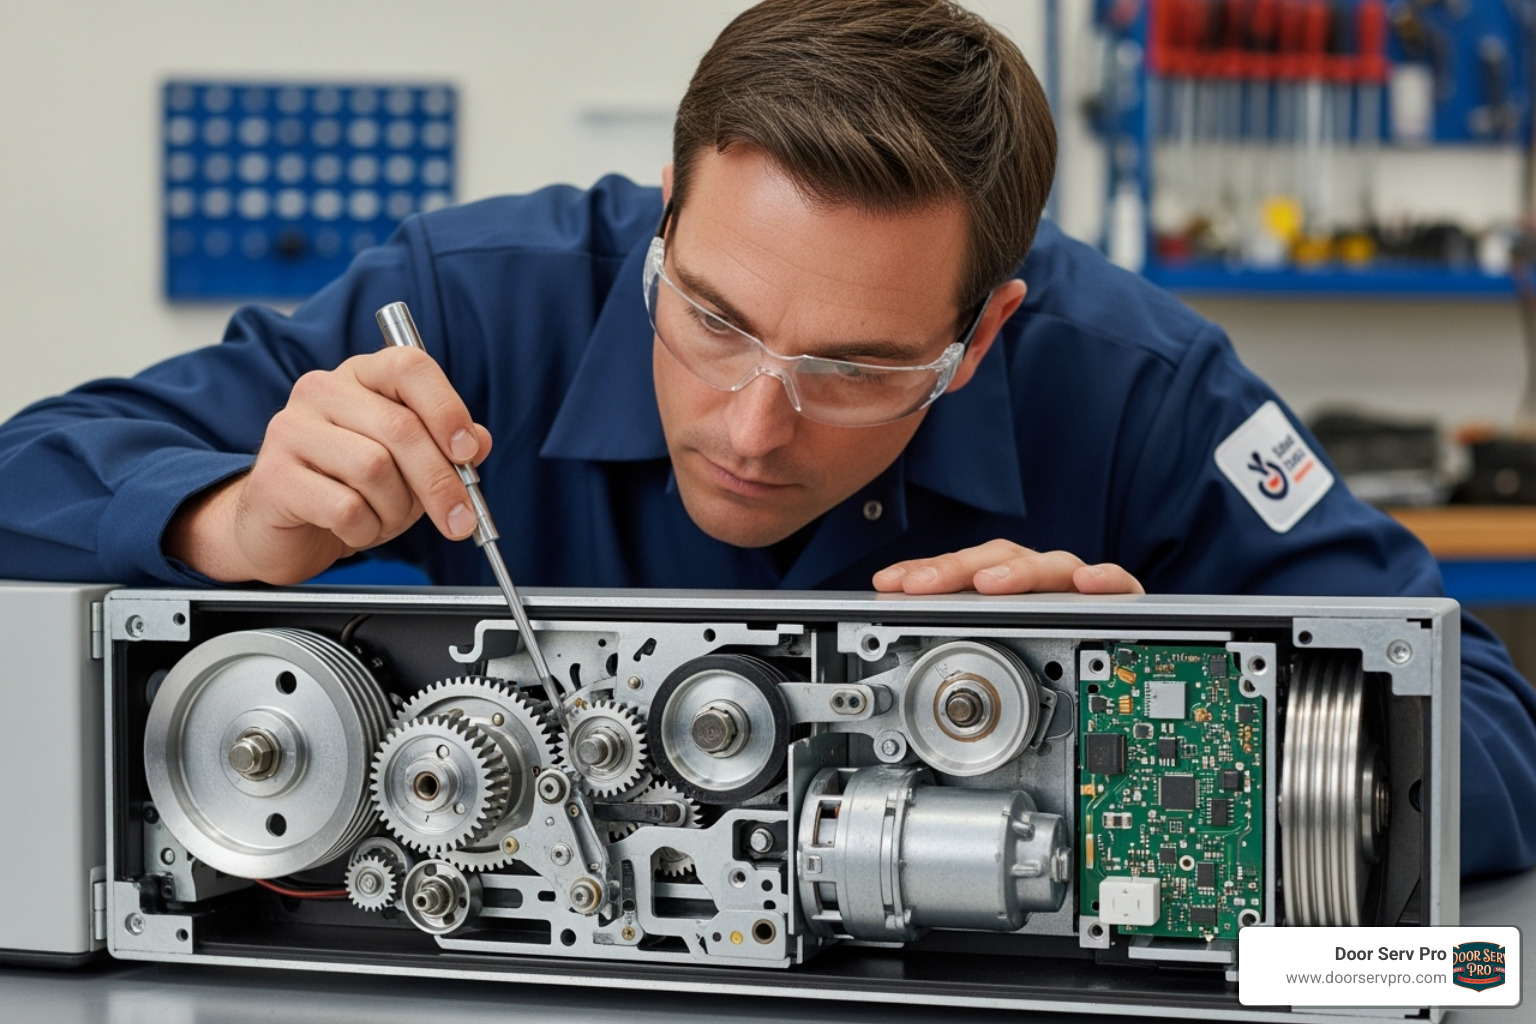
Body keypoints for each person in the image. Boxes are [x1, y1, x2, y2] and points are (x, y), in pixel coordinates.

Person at [0, 0, 1531, 876]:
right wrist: (224, 529)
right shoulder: (465, 304)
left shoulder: (1134, 386)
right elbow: (25, 482)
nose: (752, 424)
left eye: (857, 367)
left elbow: (1480, 719)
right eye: (713, 317)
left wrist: (1150, 725)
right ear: (664, 220)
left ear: (980, 333)